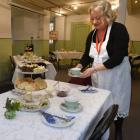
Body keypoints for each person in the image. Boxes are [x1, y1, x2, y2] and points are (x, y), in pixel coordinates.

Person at [75, 1, 131, 140]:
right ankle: (101, 126)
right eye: (92, 18)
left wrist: (93, 69)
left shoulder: (119, 30)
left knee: (117, 102)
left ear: (108, 15)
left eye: (98, 18)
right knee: (100, 102)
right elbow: (87, 55)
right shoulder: (92, 34)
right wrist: (78, 67)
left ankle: (118, 130)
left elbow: (118, 58)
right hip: (99, 75)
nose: (94, 21)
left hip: (117, 75)